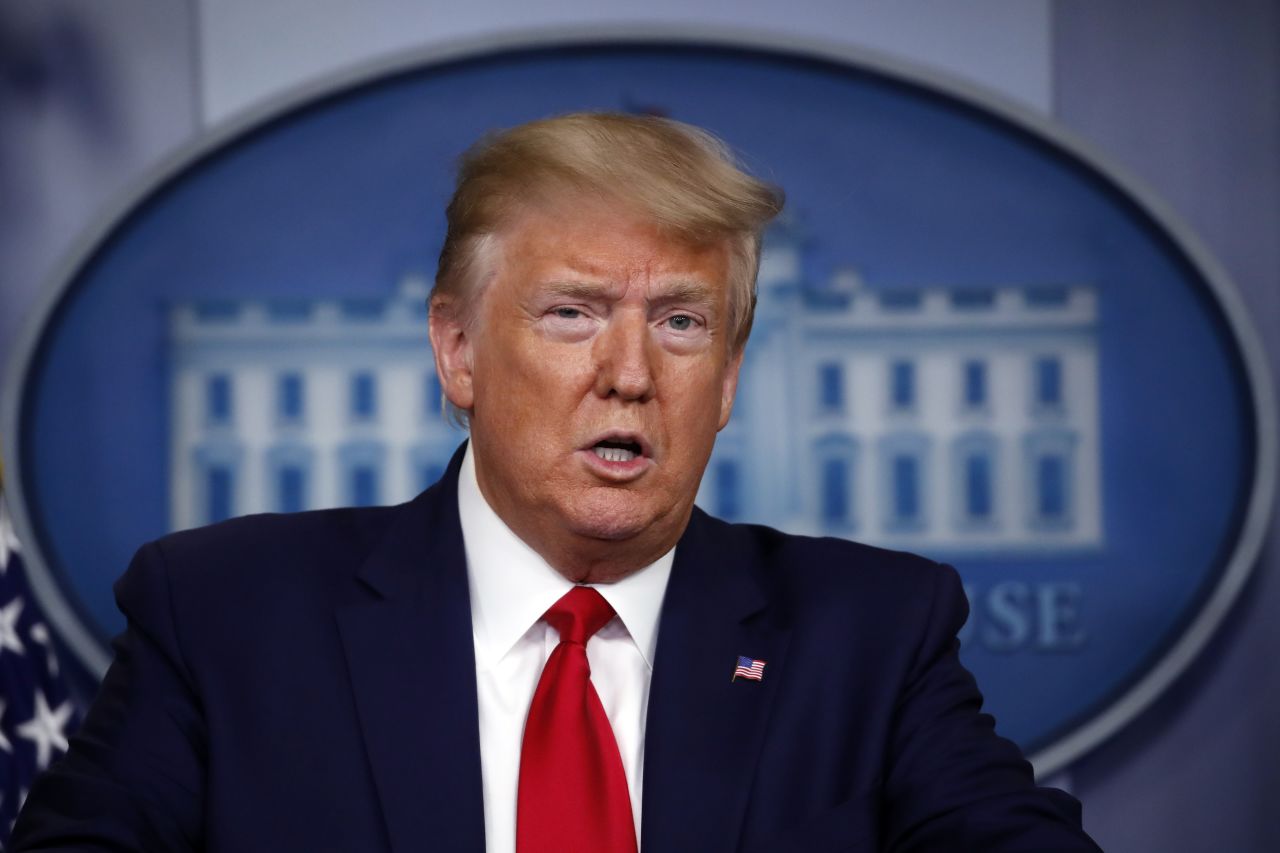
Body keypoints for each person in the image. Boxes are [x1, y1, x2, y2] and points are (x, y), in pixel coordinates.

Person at [13, 112, 1101, 852]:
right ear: (458, 352)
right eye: (572, 313)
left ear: (725, 375)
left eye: (681, 323)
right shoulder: (225, 614)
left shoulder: (871, 634)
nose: (629, 375)